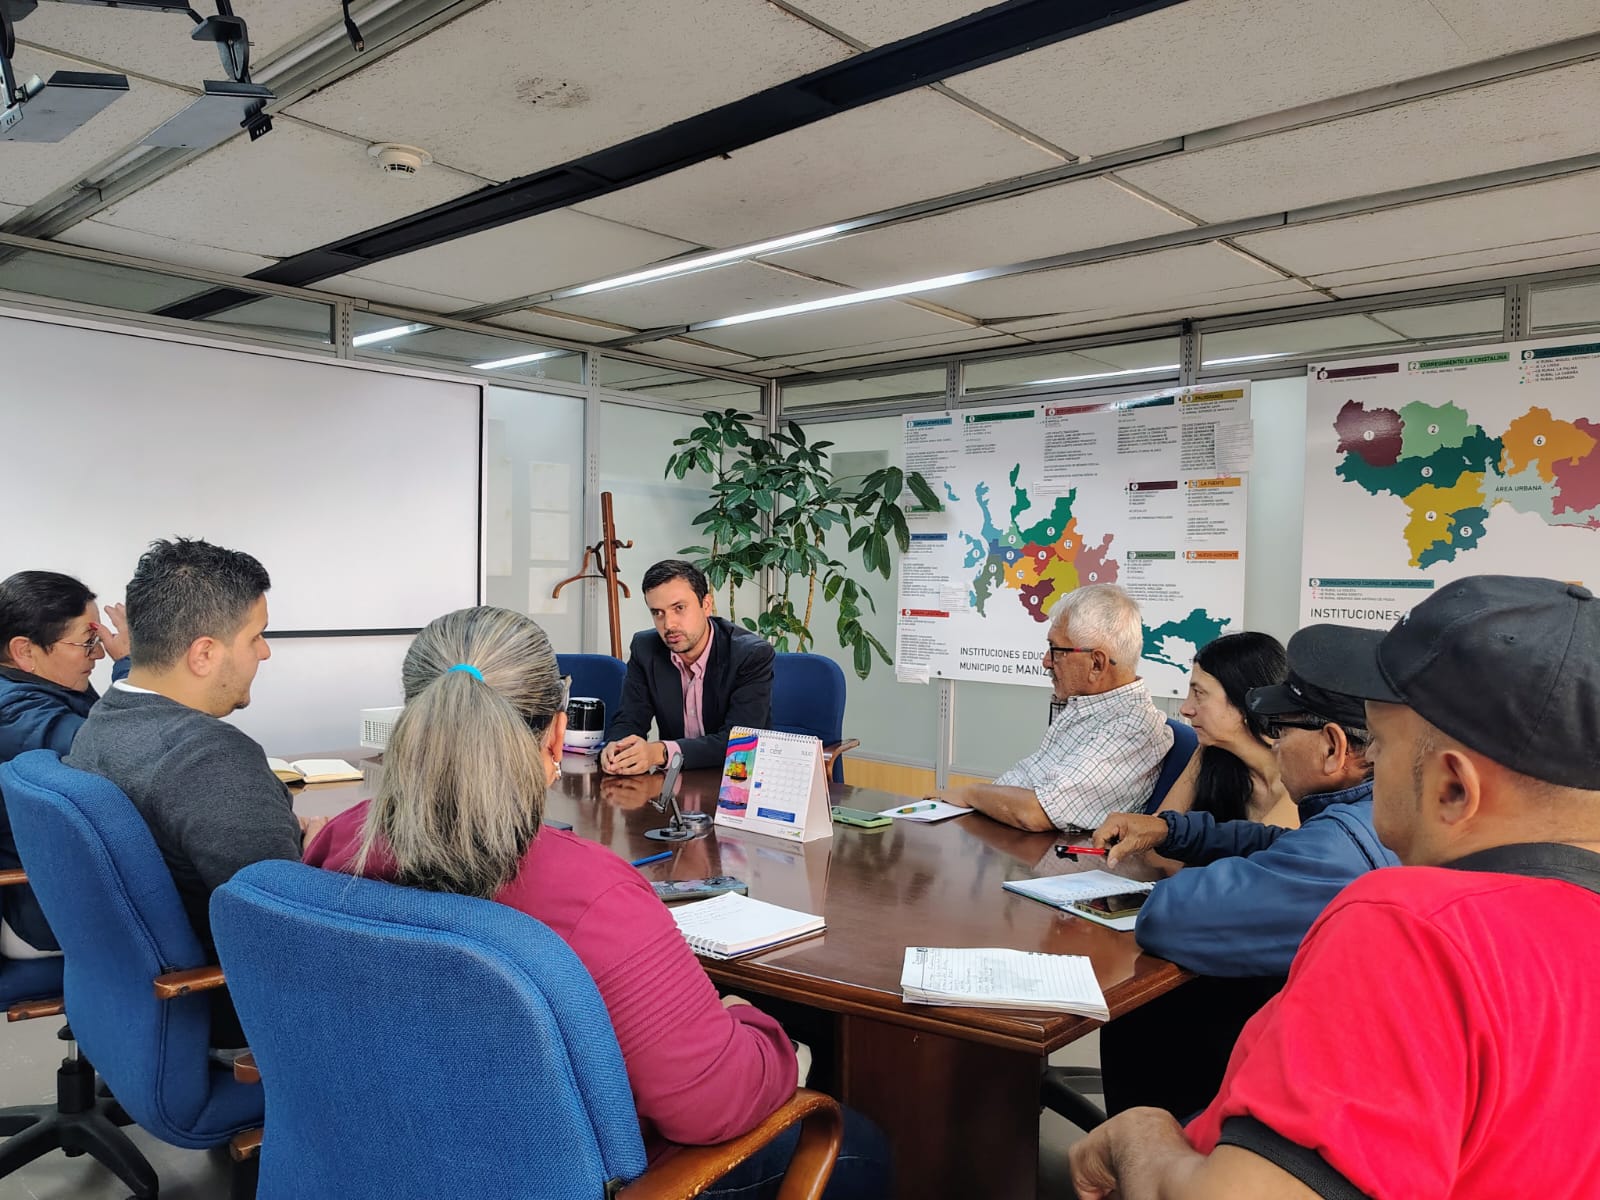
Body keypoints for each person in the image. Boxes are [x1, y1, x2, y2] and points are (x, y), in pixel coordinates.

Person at [305, 607, 890, 1198]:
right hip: (567, 1176)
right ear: (557, 734)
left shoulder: (341, 842)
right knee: (859, 1144)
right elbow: (712, 1107)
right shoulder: (595, 895)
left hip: (375, 1154)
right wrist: (762, 1032)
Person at [1071, 575, 1600, 1200]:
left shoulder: (1406, 929)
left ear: (1452, 787)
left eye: (1382, 748)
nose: (1368, 768)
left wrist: (1141, 1135)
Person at [1087, 635, 1399, 1118]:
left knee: (1143, 1012)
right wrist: (1172, 831)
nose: (1275, 744)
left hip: (1310, 1093)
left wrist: (1189, 878)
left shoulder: (1337, 852)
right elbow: (1273, 842)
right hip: (1344, 1063)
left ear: (1333, 748)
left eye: (1281, 730)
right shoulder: (1374, 815)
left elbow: (1169, 917)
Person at [67, 539, 318, 1047]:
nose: (265, 652)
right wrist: (318, 856)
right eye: (256, 636)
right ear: (204, 653)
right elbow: (289, 927)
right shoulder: (209, 756)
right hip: (237, 1008)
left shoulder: (104, 720)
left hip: (137, 999)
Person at [929, 584, 1171, 832]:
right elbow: (1027, 778)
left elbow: (1036, 812)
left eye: (1056, 650)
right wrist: (963, 802)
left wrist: (971, 793)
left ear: (1097, 664)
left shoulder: (1132, 728)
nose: (1046, 661)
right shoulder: (1084, 706)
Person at [0, 571, 131, 959]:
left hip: (69, 881)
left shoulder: (50, 685)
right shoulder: (15, 712)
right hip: (41, 905)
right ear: (25, 652)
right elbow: (120, 756)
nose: (99, 654)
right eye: (88, 642)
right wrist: (131, 667)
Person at [601, 559, 775, 775]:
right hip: (675, 783)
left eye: (679, 608)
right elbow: (630, 719)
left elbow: (740, 744)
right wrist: (618, 748)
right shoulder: (645, 648)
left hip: (736, 780)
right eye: (658, 613)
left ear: (706, 605)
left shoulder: (750, 655)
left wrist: (661, 752)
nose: (669, 624)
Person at [1156, 632, 1295, 828]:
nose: (1185, 709)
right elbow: (1157, 837)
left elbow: (1262, 850)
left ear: (1247, 702)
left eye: (1199, 693)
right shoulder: (1211, 750)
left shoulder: (1301, 781)